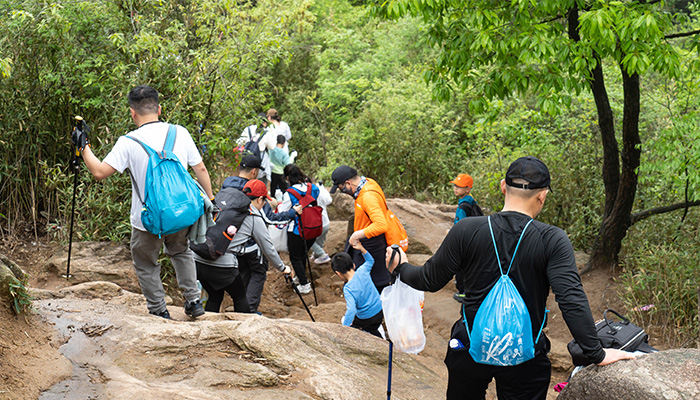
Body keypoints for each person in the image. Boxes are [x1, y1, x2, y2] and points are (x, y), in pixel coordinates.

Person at [385, 156, 635, 400]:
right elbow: (570, 299)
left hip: (469, 347)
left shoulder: (467, 229)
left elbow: (429, 279)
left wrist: (401, 267)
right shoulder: (552, 239)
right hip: (525, 357)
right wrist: (597, 354)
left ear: (503, 187)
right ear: (543, 195)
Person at [76, 85, 214, 319]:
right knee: (181, 252)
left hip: (147, 219)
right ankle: (193, 301)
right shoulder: (179, 132)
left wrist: (83, 145)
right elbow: (200, 168)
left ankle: (159, 310)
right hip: (182, 213)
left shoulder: (128, 142)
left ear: (133, 113)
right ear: (159, 108)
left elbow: (99, 172)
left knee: (146, 263)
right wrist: (210, 200)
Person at [193, 179, 294, 313]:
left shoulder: (227, 203)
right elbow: (268, 249)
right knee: (240, 297)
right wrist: (283, 268)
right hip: (222, 266)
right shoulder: (253, 216)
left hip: (197, 260)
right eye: (264, 201)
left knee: (215, 295)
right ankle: (244, 331)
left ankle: (206, 327)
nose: (263, 204)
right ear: (259, 199)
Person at [220, 154, 301, 313]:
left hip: (230, 242)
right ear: (254, 171)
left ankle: (241, 309)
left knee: (243, 273)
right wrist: (292, 213)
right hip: (251, 244)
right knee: (258, 273)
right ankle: (248, 311)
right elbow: (270, 219)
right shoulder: (254, 189)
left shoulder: (227, 186)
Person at [329, 165, 392, 294]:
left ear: (348, 183)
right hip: (369, 239)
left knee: (375, 281)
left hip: (373, 243)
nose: (343, 193)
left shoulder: (368, 197)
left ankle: (373, 309)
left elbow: (381, 225)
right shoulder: (368, 183)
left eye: (342, 189)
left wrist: (357, 235)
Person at [277, 164, 323, 294]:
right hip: (313, 228)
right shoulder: (313, 188)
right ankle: (300, 277)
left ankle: (304, 284)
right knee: (303, 253)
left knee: (295, 257)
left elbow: (284, 211)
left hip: (297, 229)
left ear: (287, 178)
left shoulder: (289, 193)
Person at [332, 242, 384, 338]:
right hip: (380, 310)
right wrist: (362, 249)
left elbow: (351, 310)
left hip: (367, 318)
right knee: (372, 327)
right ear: (354, 265)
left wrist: (344, 328)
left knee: (348, 321)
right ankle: (376, 333)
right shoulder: (363, 271)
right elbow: (370, 260)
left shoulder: (348, 289)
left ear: (338, 273)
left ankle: (376, 337)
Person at [449, 173, 483, 302]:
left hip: (464, 241)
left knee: (461, 267)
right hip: (473, 239)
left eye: (459, 186)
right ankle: (471, 290)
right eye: (455, 186)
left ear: (467, 189)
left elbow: (460, 224)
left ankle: (463, 292)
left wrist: (452, 233)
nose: (455, 189)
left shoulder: (463, 206)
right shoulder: (472, 202)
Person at [257, 109, 291, 182]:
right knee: (285, 171)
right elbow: (289, 136)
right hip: (284, 150)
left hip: (274, 153)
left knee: (275, 173)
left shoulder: (269, 128)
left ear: (269, 117)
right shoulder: (285, 125)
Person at [237, 112, 269, 182]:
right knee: (260, 181)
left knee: (246, 179)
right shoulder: (267, 132)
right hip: (260, 159)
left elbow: (239, 142)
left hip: (247, 157)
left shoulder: (248, 129)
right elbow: (272, 147)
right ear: (265, 122)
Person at [310, 181, 332, 264]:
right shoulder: (320, 191)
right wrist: (322, 188)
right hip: (326, 222)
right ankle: (316, 254)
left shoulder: (307, 194)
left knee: (308, 239)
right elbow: (329, 200)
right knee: (320, 240)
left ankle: (322, 255)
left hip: (316, 224)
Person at [268, 134, 297, 200]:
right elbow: (288, 163)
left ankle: (273, 202)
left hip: (273, 172)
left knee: (273, 188)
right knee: (284, 190)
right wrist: (293, 156)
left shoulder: (271, 150)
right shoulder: (284, 153)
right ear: (284, 143)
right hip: (281, 173)